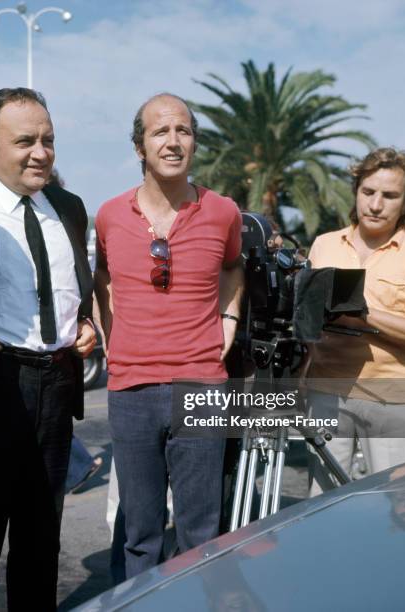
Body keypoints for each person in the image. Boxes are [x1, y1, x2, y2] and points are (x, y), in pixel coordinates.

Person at [0, 87, 95, 611]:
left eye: (49, 140)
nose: (41, 152)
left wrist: (85, 325)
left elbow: (73, 287)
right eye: (26, 141)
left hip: (57, 387)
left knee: (42, 536)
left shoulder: (70, 207)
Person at [94, 93, 244, 578]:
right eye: (160, 132)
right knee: (140, 533)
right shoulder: (110, 215)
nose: (173, 141)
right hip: (130, 391)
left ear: (195, 143)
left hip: (202, 386)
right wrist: (109, 334)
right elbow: (102, 278)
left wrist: (231, 319)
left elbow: (233, 267)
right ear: (140, 146)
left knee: (201, 532)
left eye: (183, 131)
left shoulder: (223, 212)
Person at [307, 147, 405, 493]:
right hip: (326, 391)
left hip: (394, 397)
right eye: (368, 192)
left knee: (392, 508)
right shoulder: (324, 245)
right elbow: (306, 323)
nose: (375, 204)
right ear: (355, 190)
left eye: (389, 196)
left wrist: (365, 314)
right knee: (322, 506)